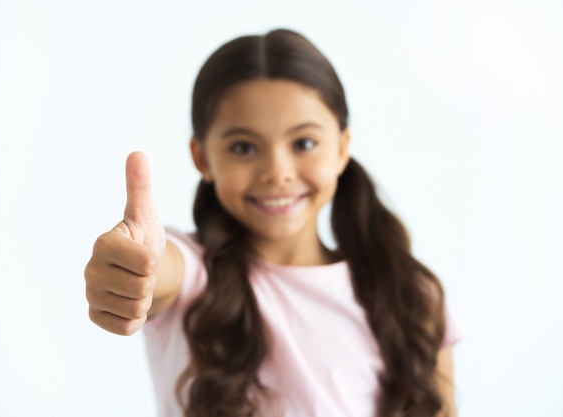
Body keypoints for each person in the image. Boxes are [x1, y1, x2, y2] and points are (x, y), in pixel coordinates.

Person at [84, 28, 462, 417]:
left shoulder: (412, 297)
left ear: (342, 147)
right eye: (243, 147)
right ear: (201, 158)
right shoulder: (197, 277)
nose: (277, 172)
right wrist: (135, 271)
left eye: (304, 143)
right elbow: (163, 268)